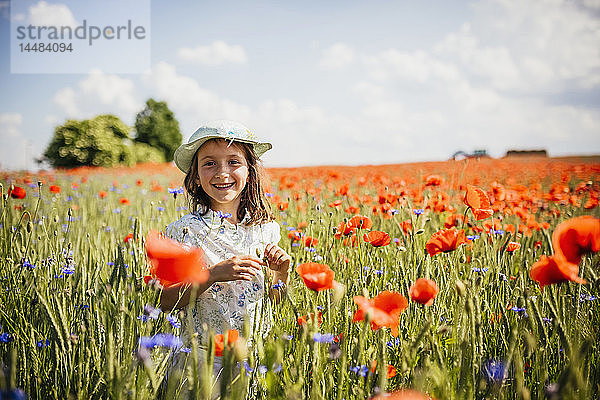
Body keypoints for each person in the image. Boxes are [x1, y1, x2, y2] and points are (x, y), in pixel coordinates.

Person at [161, 120, 291, 394]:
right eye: (209, 163)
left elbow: (274, 302)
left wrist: (280, 273)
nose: (222, 172)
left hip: (250, 359)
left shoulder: (265, 230)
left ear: (249, 171)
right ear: (195, 175)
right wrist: (212, 274)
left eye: (233, 162)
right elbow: (166, 301)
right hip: (198, 360)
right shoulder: (182, 231)